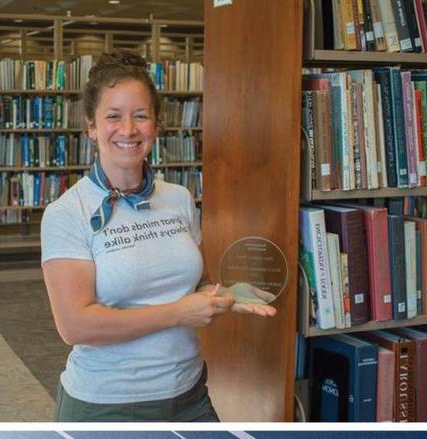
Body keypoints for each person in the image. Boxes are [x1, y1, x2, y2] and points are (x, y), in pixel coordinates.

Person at [40, 49, 276, 422]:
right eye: (113, 117)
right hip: (107, 406)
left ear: (157, 125)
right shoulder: (67, 213)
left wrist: (224, 295)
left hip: (190, 394)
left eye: (141, 116)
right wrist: (178, 314)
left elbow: (195, 284)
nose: (128, 130)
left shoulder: (179, 198)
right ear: (91, 126)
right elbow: (76, 326)